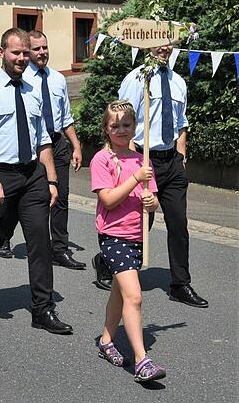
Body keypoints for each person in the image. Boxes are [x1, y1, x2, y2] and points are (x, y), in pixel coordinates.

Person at [0, 28, 73, 334]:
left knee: (39, 240)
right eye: (16, 53)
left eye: (25, 53)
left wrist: (50, 180)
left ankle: (42, 309)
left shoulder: (33, 91)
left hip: (32, 174)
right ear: (2, 53)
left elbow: (43, 141)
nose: (21, 58)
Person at [116, 44, 208, 308]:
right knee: (140, 222)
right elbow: (124, 122)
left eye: (169, 42)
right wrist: (129, 163)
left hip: (172, 162)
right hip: (145, 159)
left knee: (178, 223)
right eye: (159, 41)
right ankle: (108, 261)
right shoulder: (135, 79)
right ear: (148, 43)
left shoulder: (178, 82)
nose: (165, 48)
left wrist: (181, 156)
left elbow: (181, 123)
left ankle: (180, 283)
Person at [91, 100, 166, 383]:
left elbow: (153, 200)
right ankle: (141, 361)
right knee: (134, 296)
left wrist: (151, 202)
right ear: (106, 129)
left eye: (127, 125)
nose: (121, 130)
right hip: (113, 236)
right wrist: (135, 178)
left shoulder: (142, 159)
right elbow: (108, 200)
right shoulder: (102, 160)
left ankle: (107, 340)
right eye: (115, 126)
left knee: (120, 293)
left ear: (135, 126)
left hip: (137, 235)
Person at [0, 31, 85, 269]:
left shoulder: (57, 79)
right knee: (21, 197)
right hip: (32, 145)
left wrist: (75, 145)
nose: (42, 53)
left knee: (62, 197)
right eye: (36, 49)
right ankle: (3, 237)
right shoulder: (22, 79)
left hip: (56, 144)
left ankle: (59, 248)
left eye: (44, 48)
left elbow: (65, 116)